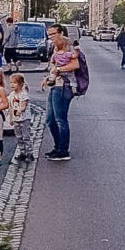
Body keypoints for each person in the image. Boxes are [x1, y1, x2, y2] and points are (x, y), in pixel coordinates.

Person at [42, 23, 78, 160]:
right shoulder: (56, 47)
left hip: (64, 86)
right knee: (50, 120)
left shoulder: (68, 47)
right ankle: (57, 147)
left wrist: (58, 70)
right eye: (49, 34)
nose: (50, 37)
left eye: (53, 34)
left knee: (60, 120)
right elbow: (54, 66)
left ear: (61, 33)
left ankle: (63, 150)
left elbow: (75, 65)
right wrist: (48, 77)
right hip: (55, 85)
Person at [8, 73, 32, 162]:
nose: (12, 85)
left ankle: (29, 153)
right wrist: (11, 118)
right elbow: (10, 107)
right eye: (11, 83)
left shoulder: (23, 94)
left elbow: (23, 105)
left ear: (21, 84)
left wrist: (20, 110)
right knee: (18, 137)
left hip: (24, 119)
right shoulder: (11, 95)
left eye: (15, 83)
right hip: (16, 119)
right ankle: (22, 152)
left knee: (26, 136)